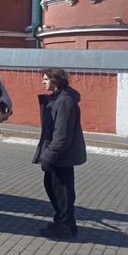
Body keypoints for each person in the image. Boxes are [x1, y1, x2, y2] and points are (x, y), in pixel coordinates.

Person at [33, 68, 87, 239]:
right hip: (59, 155)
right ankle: (65, 223)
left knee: (62, 193)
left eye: (46, 79)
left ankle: (65, 227)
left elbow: (61, 135)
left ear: (55, 81)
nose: (43, 82)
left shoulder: (64, 102)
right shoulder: (59, 99)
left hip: (61, 157)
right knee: (54, 188)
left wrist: (50, 155)